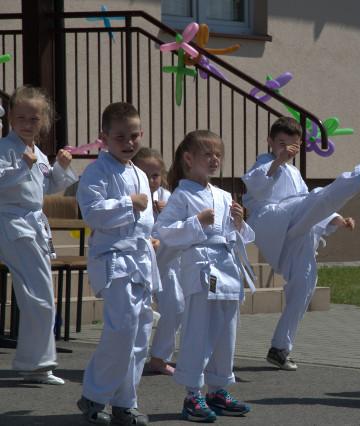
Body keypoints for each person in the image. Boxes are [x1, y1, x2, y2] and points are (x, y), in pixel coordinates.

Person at [242, 116, 360, 371]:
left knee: (305, 283)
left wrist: (337, 219)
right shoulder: (264, 162)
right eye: (281, 143)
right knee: (317, 196)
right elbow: (256, 187)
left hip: (296, 229)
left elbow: (312, 205)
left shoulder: (295, 173)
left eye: (292, 145)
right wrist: (278, 161)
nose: (287, 149)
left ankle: (280, 348)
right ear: (270, 142)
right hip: (272, 220)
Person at [154, 130, 254, 422]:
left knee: (226, 331)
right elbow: (163, 231)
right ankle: (192, 394)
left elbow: (234, 236)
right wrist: (195, 222)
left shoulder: (223, 195)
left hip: (226, 266)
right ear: (188, 159)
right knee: (198, 331)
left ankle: (218, 389)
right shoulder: (182, 195)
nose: (214, 160)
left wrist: (238, 223)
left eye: (218, 155)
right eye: (207, 154)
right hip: (201, 268)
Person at [76, 102, 159, 425]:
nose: (129, 142)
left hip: (139, 260)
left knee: (139, 334)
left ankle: (125, 402)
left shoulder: (139, 173)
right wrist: (128, 203)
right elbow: (93, 213)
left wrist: (149, 236)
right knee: (121, 330)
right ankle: (94, 396)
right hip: (114, 260)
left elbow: (145, 220)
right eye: (120, 136)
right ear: (104, 138)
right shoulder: (96, 172)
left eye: (134, 135)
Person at [0, 86, 76, 385]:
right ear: (10, 119)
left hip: (32, 224)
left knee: (41, 293)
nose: (27, 124)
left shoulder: (38, 152)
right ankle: (37, 364)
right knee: (39, 294)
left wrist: (61, 168)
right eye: (21, 118)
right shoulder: (6, 148)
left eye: (34, 119)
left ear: (42, 121)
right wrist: (22, 166)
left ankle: (37, 362)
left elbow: (45, 187)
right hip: (12, 223)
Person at [133, 147, 184, 376]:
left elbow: (183, 225)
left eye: (155, 175)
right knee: (137, 313)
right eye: (145, 175)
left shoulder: (168, 197)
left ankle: (159, 357)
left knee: (176, 306)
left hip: (166, 262)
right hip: (139, 261)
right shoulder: (131, 195)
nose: (151, 180)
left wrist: (167, 214)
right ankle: (128, 356)